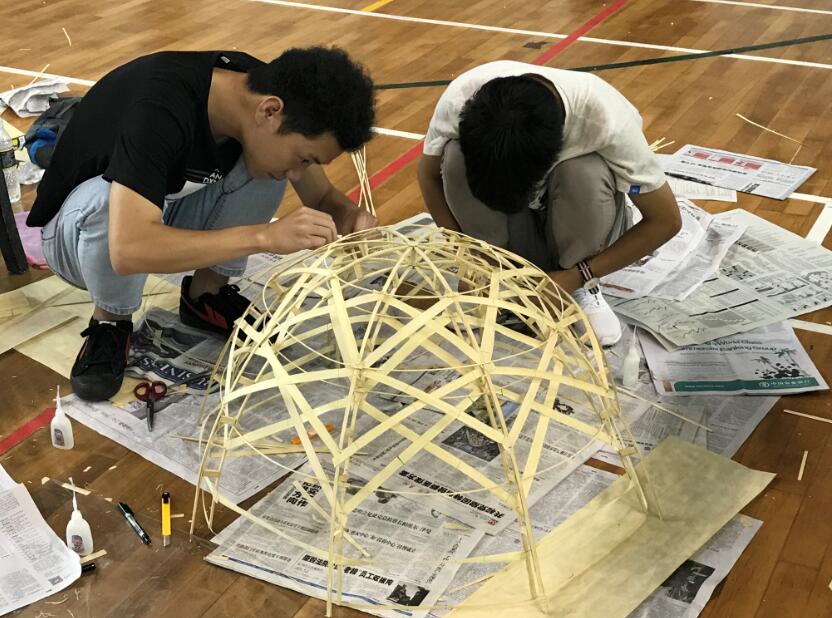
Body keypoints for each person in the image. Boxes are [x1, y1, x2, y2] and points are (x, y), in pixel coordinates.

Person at [26, 47, 377, 401]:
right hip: (77, 236)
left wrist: (349, 214)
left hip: (157, 208)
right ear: (270, 111)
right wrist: (263, 236)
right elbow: (128, 249)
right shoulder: (160, 107)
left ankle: (205, 297)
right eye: (305, 158)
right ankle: (110, 321)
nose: (300, 173)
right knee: (109, 201)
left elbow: (322, 196)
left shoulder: (266, 93)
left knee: (269, 165)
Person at [417, 60, 681, 346]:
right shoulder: (460, 100)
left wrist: (579, 276)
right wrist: (467, 255)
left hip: (578, 236)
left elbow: (666, 220)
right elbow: (428, 176)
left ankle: (581, 287)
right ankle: (489, 269)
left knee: (584, 169)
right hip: (511, 232)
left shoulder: (605, 118)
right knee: (455, 156)